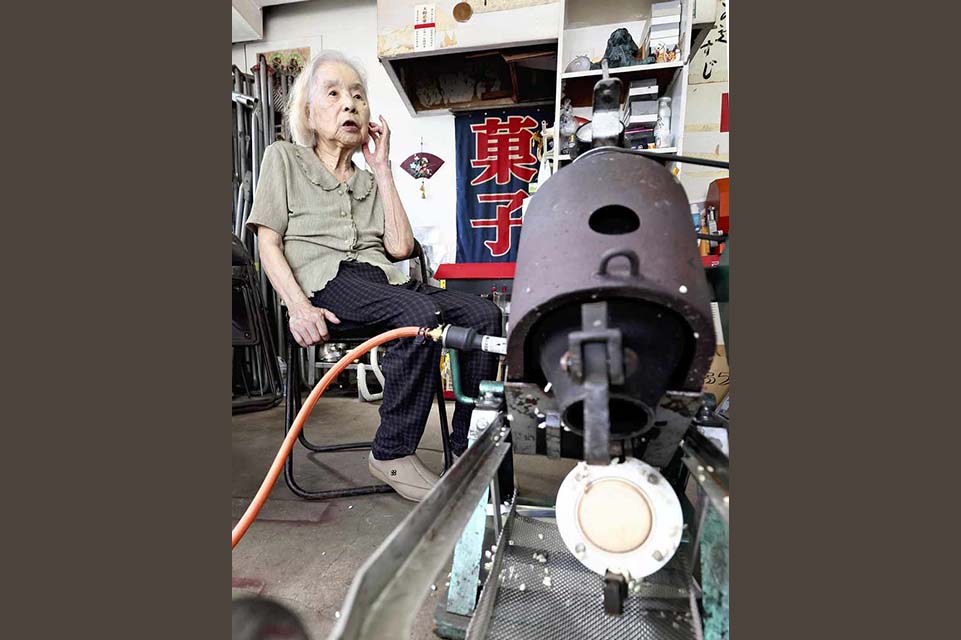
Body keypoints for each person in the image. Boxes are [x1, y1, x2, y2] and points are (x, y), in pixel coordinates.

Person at [246, 51, 501, 502]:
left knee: (484, 316)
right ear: (309, 112)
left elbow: (400, 249)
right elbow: (267, 243)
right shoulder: (283, 158)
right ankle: (391, 452)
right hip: (327, 283)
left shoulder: (369, 180)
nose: (350, 104)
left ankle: (467, 446)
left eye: (358, 96)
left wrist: (383, 168)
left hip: (382, 282)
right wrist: (298, 307)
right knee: (420, 315)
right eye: (333, 94)